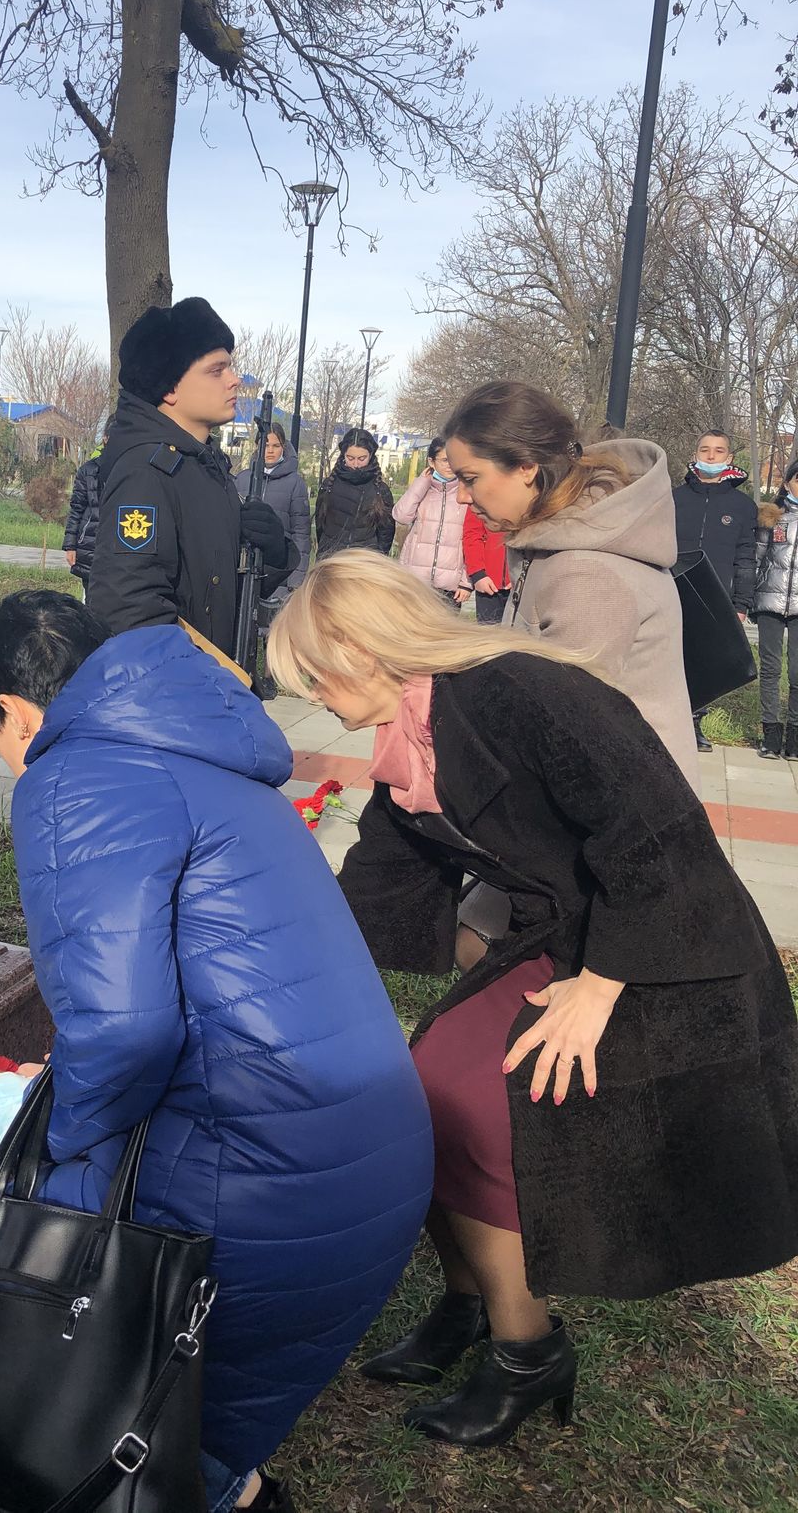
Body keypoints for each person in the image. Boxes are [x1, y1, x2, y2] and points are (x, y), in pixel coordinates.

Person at [268, 551, 798, 1450]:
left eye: (313, 670)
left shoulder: (524, 690)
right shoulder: (415, 733)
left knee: (484, 1101)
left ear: (365, 647)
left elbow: (659, 832)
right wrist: (276, 978)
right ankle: (470, 1302)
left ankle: (529, 1351)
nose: (309, 691)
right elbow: (377, 885)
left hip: (665, 944)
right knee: (418, 1088)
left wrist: (600, 984)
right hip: (567, 940)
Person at [0, 591, 433, 1512]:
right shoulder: (215, 760)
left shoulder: (73, 777)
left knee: (120, 1421)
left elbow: (124, 1028)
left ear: (16, 714)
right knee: (196, 1433)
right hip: (372, 1162)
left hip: (271, 1186)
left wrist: (43, 1128)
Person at [443, 382, 699, 791]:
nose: (461, 497)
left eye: (470, 478)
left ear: (526, 465)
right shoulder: (553, 543)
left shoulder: (587, 572)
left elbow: (560, 725)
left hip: (627, 816)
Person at [88, 297, 293, 659]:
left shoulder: (205, 465)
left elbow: (222, 589)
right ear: (169, 388)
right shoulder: (146, 472)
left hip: (210, 686)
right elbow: (130, 610)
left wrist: (272, 552)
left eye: (231, 367)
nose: (235, 380)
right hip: (179, 695)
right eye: (217, 371)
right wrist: (206, 688)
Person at [671, 429, 756, 751]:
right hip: (672, 588)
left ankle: (694, 724)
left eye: (718, 451)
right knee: (670, 658)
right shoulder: (675, 497)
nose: (710, 456)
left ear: (729, 458)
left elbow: (747, 557)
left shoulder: (742, 506)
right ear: (695, 455)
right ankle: (668, 721)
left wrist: (741, 603)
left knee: (703, 661)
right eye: (705, 450)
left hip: (715, 595)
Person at [234, 419, 310, 697]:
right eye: (265, 444)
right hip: (247, 563)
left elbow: (301, 530)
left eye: (276, 445)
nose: (270, 450)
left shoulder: (294, 483)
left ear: (284, 448)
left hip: (279, 563)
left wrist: (298, 574)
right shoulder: (242, 478)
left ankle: (269, 675)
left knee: (273, 625)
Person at [393, 438, 471, 607]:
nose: (450, 465)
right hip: (416, 578)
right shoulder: (422, 489)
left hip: (450, 583)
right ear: (431, 461)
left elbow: (472, 540)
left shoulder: (466, 493)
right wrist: (421, 482)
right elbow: (401, 516)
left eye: (453, 459)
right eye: (444, 460)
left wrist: (466, 582)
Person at [755, 459, 798, 760]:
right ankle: (770, 734)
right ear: (787, 484)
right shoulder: (771, 518)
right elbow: (756, 559)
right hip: (769, 602)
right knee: (770, 670)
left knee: (797, 673)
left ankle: (794, 736)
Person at [314, 426, 395, 559]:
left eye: (361, 459)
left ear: (371, 456)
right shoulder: (329, 485)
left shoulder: (380, 490)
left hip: (364, 562)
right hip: (331, 558)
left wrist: (377, 560)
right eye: (350, 458)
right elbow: (320, 525)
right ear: (343, 455)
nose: (356, 464)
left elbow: (386, 534)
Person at [61, 413, 114, 592]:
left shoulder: (133, 471)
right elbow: (76, 508)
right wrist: (70, 545)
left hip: (116, 548)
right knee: (90, 598)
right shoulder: (88, 470)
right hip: (89, 544)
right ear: (105, 438)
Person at [462, 505, 511, 625]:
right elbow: (472, 534)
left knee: (522, 639)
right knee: (490, 638)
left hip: (520, 581)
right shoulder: (480, 495)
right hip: (487, 583)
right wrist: (478, 574)